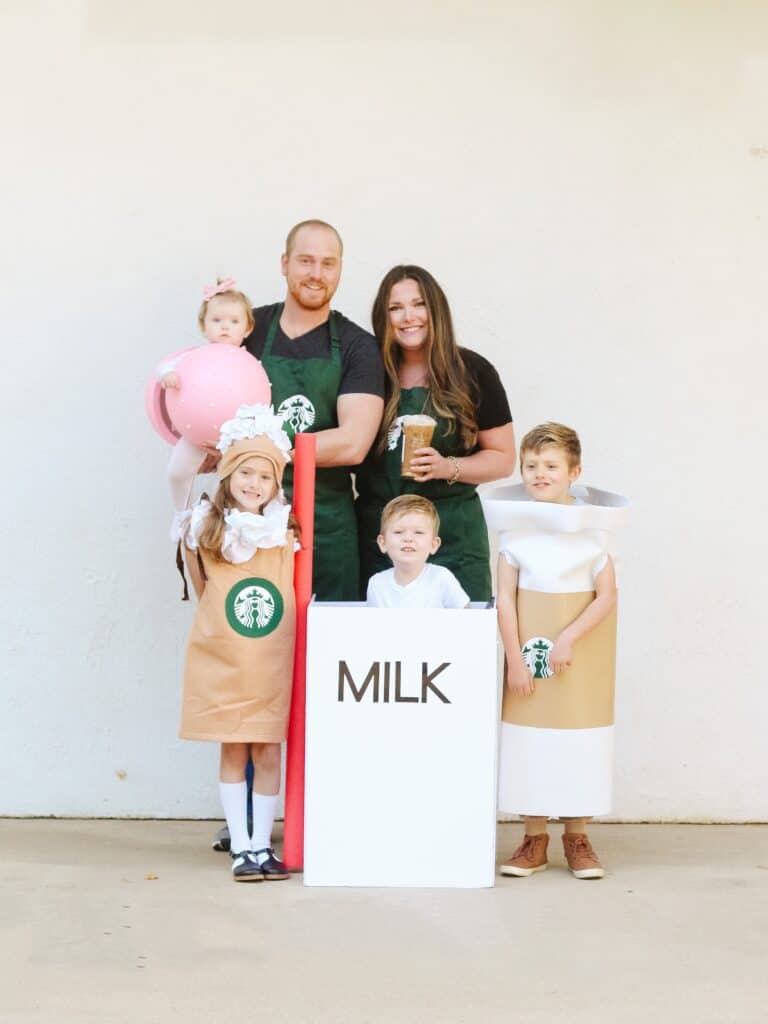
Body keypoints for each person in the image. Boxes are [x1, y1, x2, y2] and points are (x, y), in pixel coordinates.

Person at [495, 423, 618, 880]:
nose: (539, 474)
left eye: (551, 466)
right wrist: (514, 659)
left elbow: (606, 596)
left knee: (578, 738)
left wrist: (568, 638)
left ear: (574, 472)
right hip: (528, 656)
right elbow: (506, 599)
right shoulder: (515, 535)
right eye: (531, 466)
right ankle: (534, 837)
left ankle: (577, 835)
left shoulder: (594, 534)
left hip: (581, 658)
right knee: (531, 740)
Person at [180, 404, 297, 882]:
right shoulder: (205, 530)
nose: (254, 483)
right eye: (245, 472)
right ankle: (241, 846)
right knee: (233, 748)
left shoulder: (284, 532)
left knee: (268, 750)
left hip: (270, 660)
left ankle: (262, 843)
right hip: (227, 656)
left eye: (264, 477)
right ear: (228, 475)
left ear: (275, 486)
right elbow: (204, 590)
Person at [355, 265, 516, 602]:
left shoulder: (473, 371)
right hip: (384, 539)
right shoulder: (367, 373)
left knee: (459, 644)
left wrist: (448, 467)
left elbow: (503, 459)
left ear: (436, 310)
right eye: (395, 308)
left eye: (418, 304)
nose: (408, 317)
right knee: (385, 646)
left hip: (453, 536)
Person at [243, 219, 384, 601]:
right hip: (248, 517)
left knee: (326, 647)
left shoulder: (359, 347)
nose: (316, 274)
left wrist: (259, 451)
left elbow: (352, 443)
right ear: (284, 263)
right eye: (306, 261)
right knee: (254, 646)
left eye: (328, 263)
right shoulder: (248, 332)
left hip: (328, 527)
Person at [156, 278, 255, 518]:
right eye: (217, 320)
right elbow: (166, 367)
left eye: (234, 321)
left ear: (247, 328)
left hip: (235, 439)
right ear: (204, 326)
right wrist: (168, 375)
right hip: (196, 433)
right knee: (177, 471)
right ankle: (183, 514)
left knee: (231, 480)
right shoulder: (196, 358)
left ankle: (220, 519)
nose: (225, 327)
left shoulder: (248, 363)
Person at [366, 495, 469, 608]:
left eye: (418, 532)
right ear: (382, 542)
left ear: (434, 544)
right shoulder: (377, 584)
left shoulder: (441, 578)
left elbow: (466, 617)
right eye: (398, 532)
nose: (408, 538)